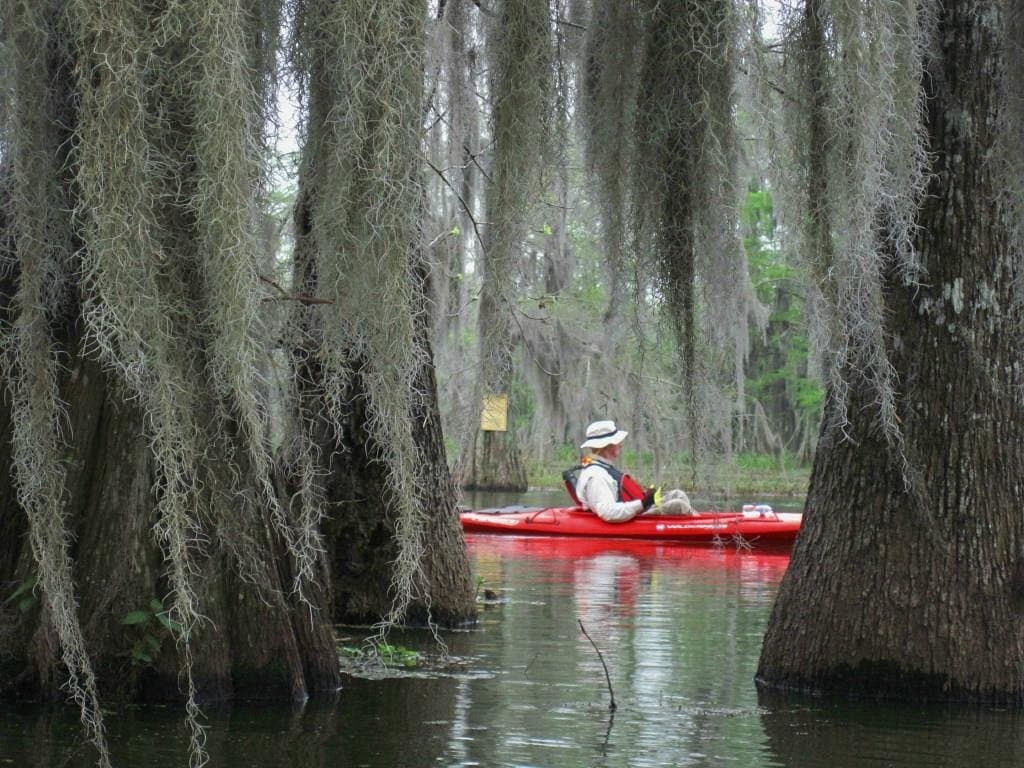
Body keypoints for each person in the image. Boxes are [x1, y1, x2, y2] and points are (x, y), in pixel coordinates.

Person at [563, 419, 694, 523]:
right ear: (606, 445)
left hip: (633, 512)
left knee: (678, 494)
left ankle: (700, 523)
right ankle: (704, 528)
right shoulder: (597, 476)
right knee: (678, 504)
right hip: (628, 519)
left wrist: (646, 499)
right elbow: (607, 512)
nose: (621, 444)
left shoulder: (601, 467)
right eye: (617, 441)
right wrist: (643, 503)